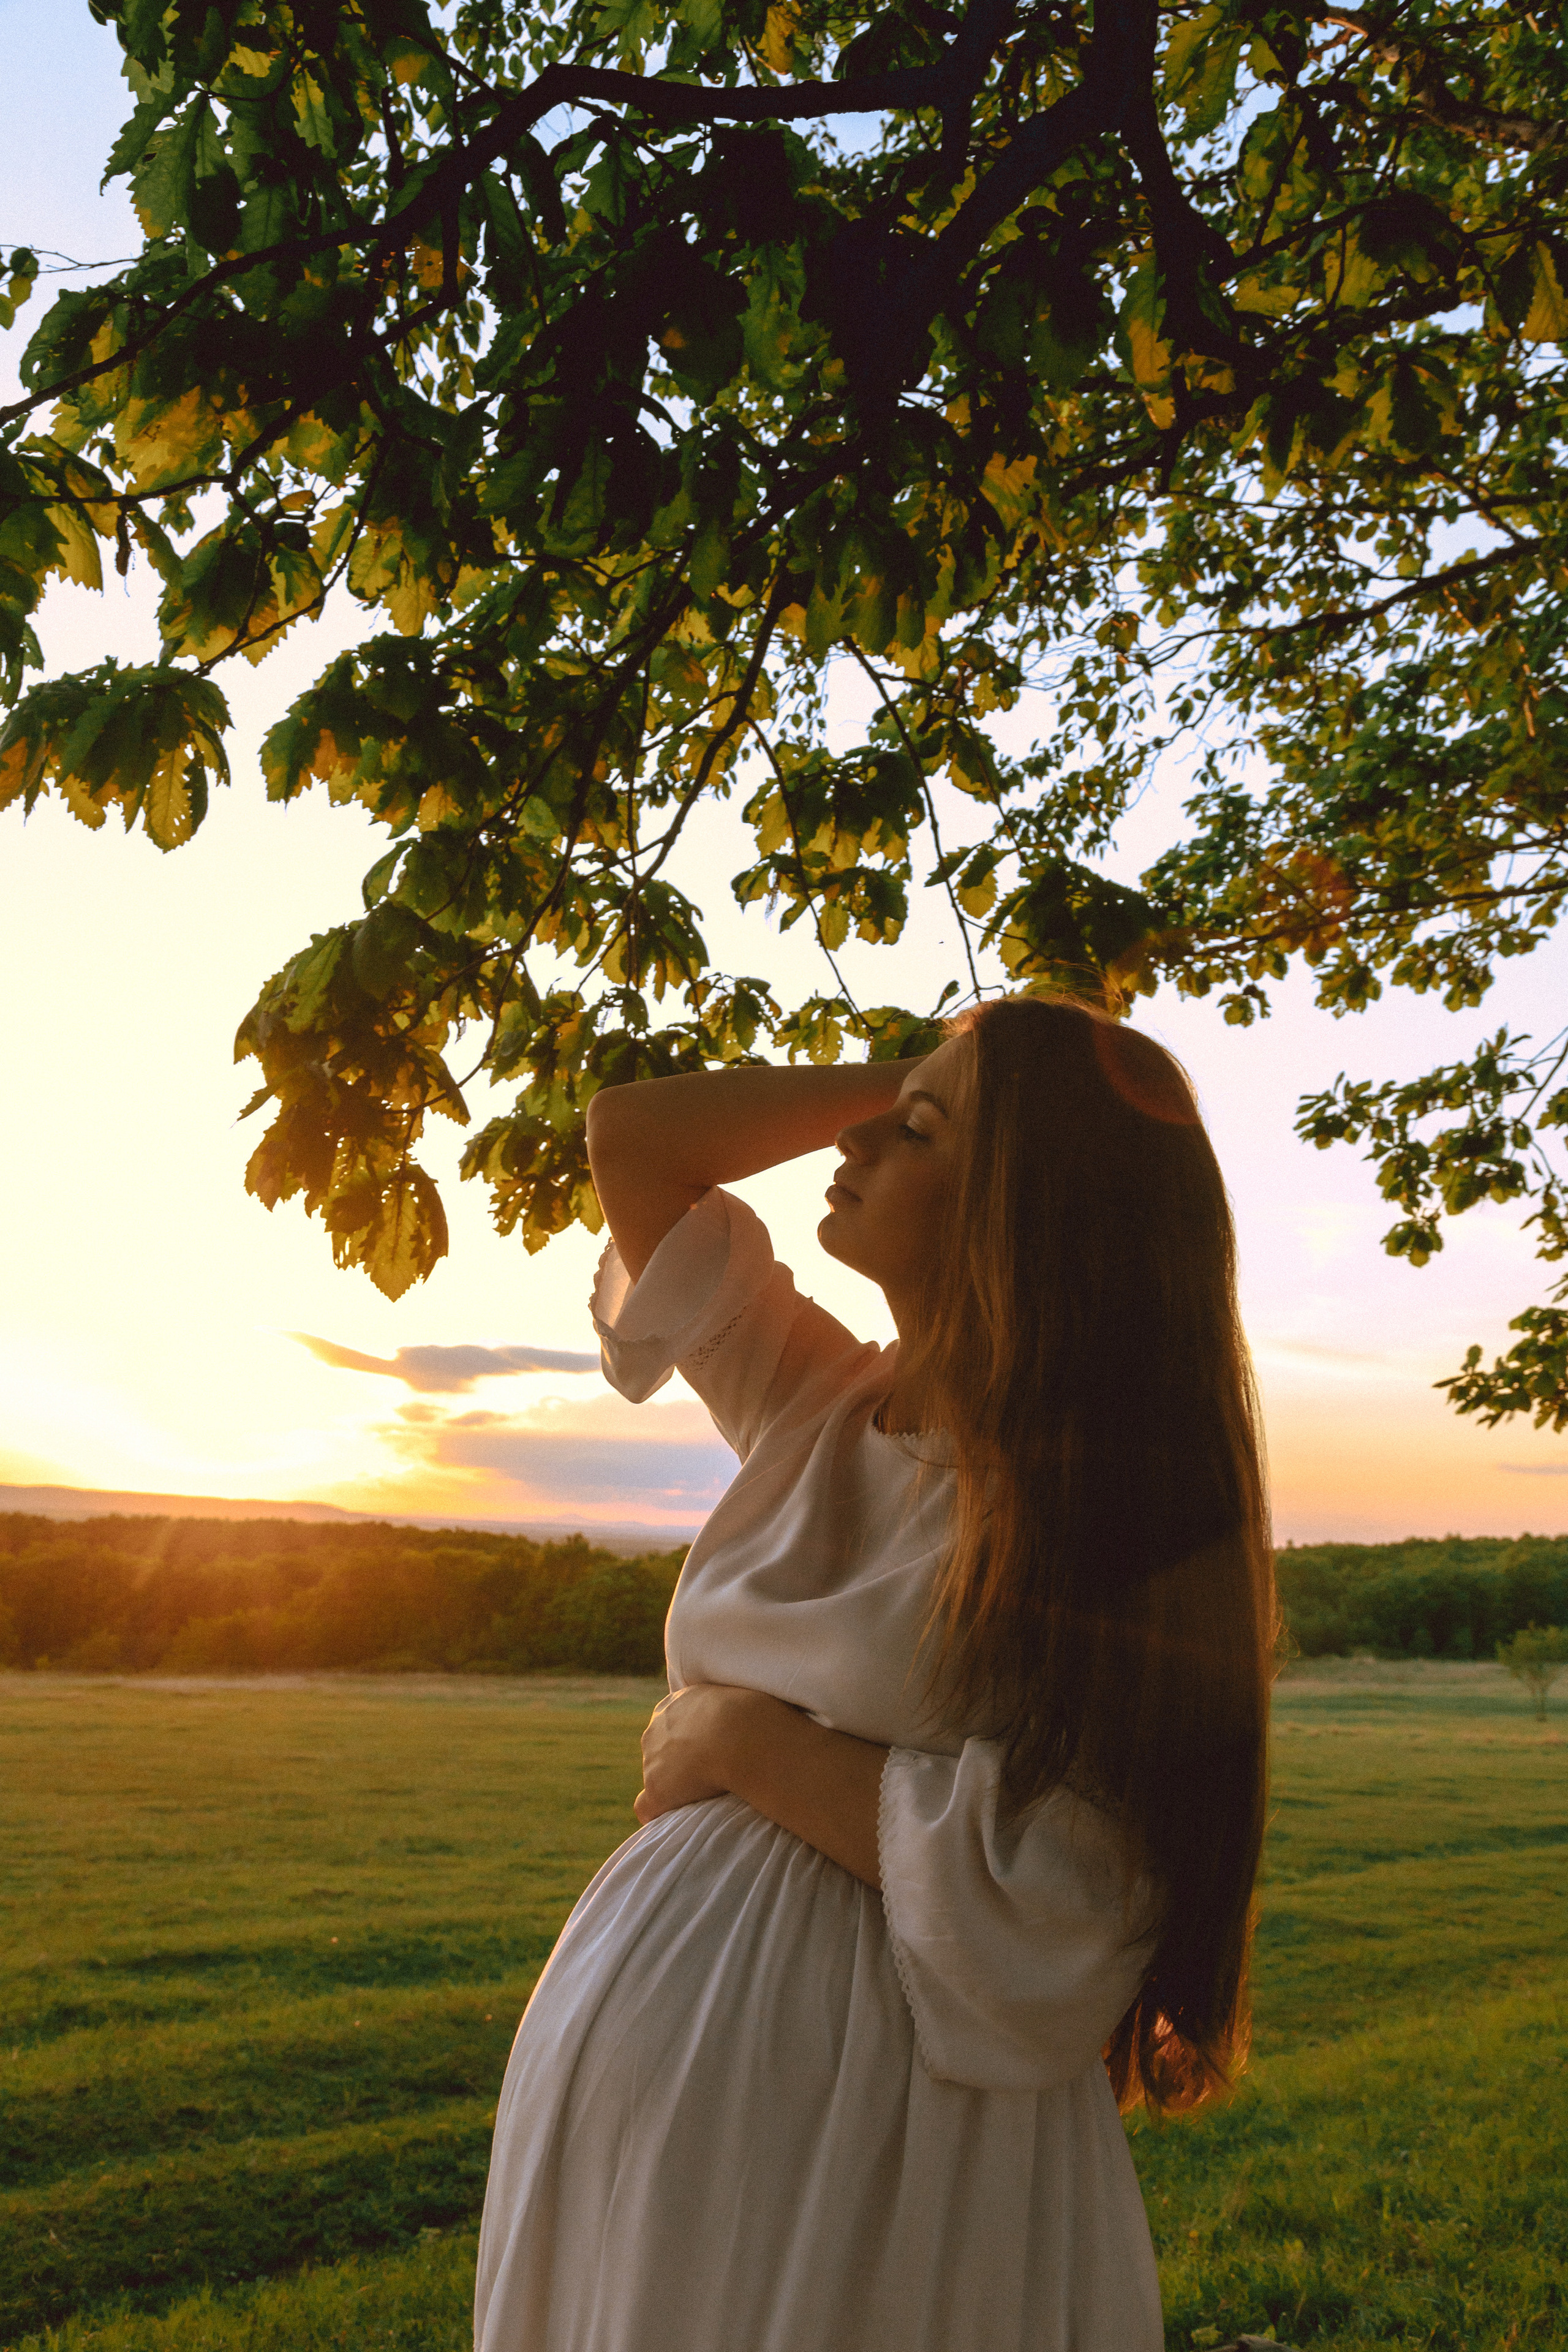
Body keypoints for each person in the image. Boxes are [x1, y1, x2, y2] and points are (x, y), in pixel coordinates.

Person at [474, 993, 1276, 2352]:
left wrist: (741, 1742)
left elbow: (1065, 1905)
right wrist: (945, 1068)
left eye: (912, 1132)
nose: (850, 1132)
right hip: (656, 2128)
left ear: (1028, 1205)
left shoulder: (1105, 1513)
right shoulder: (818, 1404)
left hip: (878, 2148)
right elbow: (637, 1135)